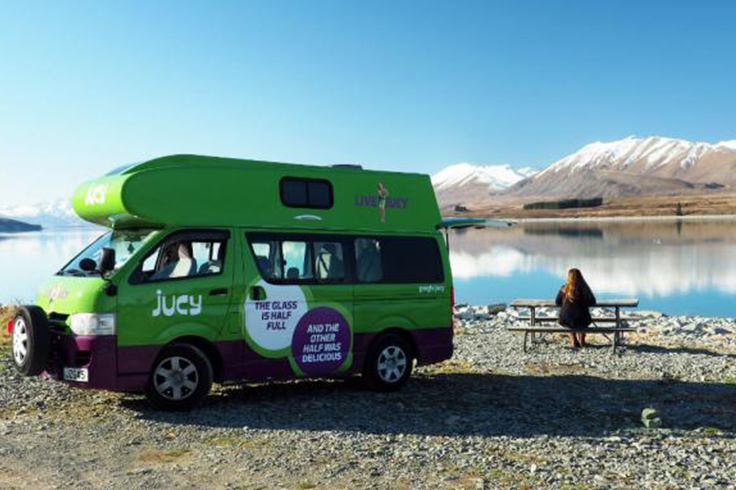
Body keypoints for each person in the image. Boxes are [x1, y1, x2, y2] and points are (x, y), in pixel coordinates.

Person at [555, 268, 597, 348]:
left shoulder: (564, 288)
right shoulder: (585, 288)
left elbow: (557, 302)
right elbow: (593, 301)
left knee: (570, 319)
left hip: (565, 320)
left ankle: (573, 339)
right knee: (582, 319)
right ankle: (582, 340)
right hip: (583, 319)